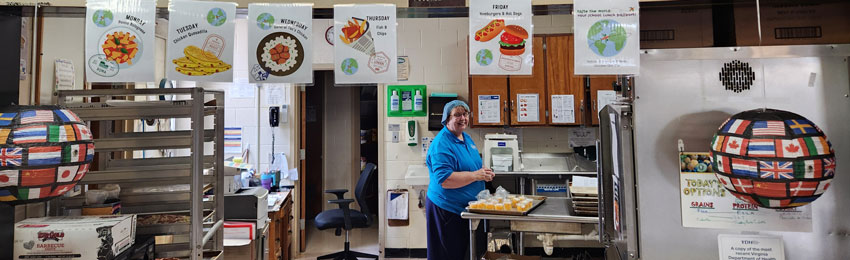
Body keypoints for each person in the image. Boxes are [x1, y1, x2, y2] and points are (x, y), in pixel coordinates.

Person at [425, 100, 495, 260]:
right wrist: (477, 175)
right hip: (447, 210)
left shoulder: (466, 138)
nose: (463, 118)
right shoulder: (441, 144)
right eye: (457, 115)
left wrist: (483, 172)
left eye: (465, 114)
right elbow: (445, 180)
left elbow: (470, 165)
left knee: (464, 253)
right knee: (448, 255)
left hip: (465, 210)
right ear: (447, 119)